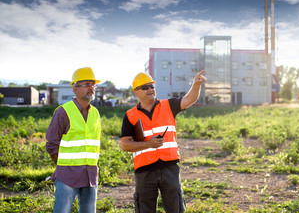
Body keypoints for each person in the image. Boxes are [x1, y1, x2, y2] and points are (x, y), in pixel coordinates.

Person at [120, 70, 206, 213]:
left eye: (151, 86)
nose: (150, 89)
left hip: (169, 168)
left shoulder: (169, 105)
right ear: (136, 92)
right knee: (144, 209)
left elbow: (188, 99)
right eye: (145, 87)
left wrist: (196, 84)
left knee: (175, 208)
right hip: (144, 170)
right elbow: (125, 145)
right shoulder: (130, 115)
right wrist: (148, 144)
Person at [46, 67, 101, 213]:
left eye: (93, 84)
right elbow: (51, 144)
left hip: (90, 175)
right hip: (67, 176)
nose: (92, 88)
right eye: (87, 84)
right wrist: (64, 167)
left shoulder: (95, 113)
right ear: (75, 89)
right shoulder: (63, 111)